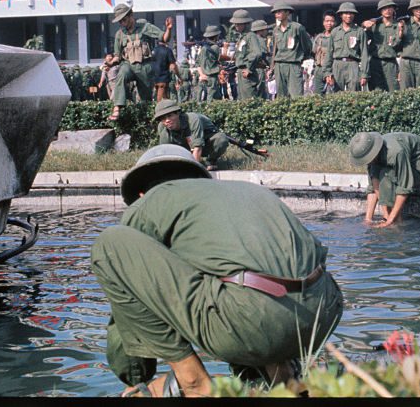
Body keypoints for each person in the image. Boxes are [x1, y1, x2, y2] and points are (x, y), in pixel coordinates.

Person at [91, 144, 342, 397]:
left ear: (141, 193)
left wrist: (135, 374)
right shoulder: (245, 190)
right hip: (323, 314)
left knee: (110, 243)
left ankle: (192, 381)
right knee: (238, 276)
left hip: (251, 322)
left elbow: (127, 297)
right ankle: (281, 373)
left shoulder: (150, 203)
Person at [348, 131, 420, 228]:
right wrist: (368, 219)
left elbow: (404, 187)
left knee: (388, 176)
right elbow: (373, 188)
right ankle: (389, 218)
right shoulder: (372, 157)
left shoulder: (396, 152)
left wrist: (390, 220)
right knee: (381, 174)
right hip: (407, 162)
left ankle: (396, 221)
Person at [109, 4, 174, 121]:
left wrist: (168, 29)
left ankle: (147, 121)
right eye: (119, 21)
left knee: (145, 100)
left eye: (123, 20)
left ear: (131, 16)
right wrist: (111, 63)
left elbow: (164, 38)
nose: (122, 23)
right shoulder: (119, 34)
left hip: (145, 67)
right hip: (128, 65)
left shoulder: (145, 27)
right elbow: (117, 56)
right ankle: (117, 107)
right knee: (122, 74)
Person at [154, 99, 228, 170]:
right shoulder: (162, 127)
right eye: (163, 118)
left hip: (205, 144)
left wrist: (192, 170)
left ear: (178, 113)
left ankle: (210, 161)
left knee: (221, 139)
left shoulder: (192, 119)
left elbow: (197, 147)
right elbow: (165, 152)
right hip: (184, 148)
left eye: (170, 116)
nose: (167, 120)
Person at [270, 2, 312, 99]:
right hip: (279, 65)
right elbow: (275, 50)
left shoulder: (297, 28)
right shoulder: (275, 30)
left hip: (293, 64)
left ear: (287, 13)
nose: (277, 14)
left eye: (280, 12)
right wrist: (272, 67)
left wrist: (300, 58)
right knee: (281, 96)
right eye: (275, 12)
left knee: (296, 95)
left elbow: (307, 46)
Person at [321, 2, 367, 92]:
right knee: (334, 95)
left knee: (354, 94)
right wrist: (327, 72)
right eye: (346, 13)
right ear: (341, 15)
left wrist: (364, 74)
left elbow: (364, 54)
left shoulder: (360, 31)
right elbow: (329, 53)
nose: (349, 16)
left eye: (351, 13)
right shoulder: (335, 32)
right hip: (337, 65)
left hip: (353, 65)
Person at [361, 0, 404, 92]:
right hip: (375, 62)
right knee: (376, 91)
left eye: (389, 8)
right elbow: (362, 37)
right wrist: (364, 24)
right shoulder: (375, 26)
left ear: (393, 9)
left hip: (391, 62)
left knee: (394, 90)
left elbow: (402, 46)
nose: (387, 10)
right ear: (380, 11)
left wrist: (401, 32)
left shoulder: (399, 26)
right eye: (384, 8)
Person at [234, 20, 269, 100]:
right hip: (255, 68)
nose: (266, 32)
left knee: (251, 96)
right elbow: (261, 55)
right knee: (258, 94)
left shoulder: (248, 37)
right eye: (265, 30)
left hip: (253, 68)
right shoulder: (258, 39)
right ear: (260, 30)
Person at [194, 25, 223, 102]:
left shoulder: (203, 48)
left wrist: (202, 74)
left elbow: (197, 63)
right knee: (214, 100)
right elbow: (219, 60)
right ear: (216, 36)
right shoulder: (215, 47)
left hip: (204, 77)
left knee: (204, 99)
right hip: (212, 77)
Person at [311, 11, 336, 94]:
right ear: (323, 22)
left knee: (331, 95)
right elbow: (313, 52)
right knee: (317, 96)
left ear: (335, 23)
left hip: (332, 69)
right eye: (327, 21)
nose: (329, 23)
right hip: (319, 69)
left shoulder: (337, 37)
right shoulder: (319, 37)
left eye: (331, 21)